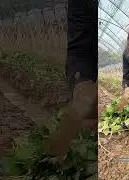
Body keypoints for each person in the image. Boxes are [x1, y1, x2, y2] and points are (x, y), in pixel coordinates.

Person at [45, 0, 97, 158]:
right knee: (85, 114)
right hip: (86, 62)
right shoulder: (81, 4)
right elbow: (78, 48)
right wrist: (81, 81)